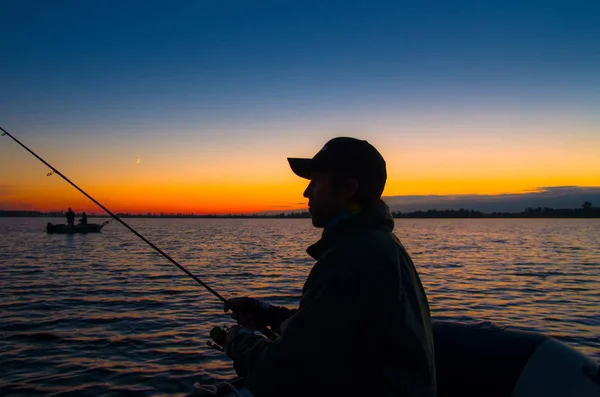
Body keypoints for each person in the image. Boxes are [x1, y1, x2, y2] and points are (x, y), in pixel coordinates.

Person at [222, 137, 436, 396]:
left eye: (316, 181)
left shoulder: (351, 258)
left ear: (347, 188)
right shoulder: (381, 245)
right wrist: (266, 314)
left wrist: (237, 341)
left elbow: (283, 374)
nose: (306, 192)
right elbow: (332, 328)